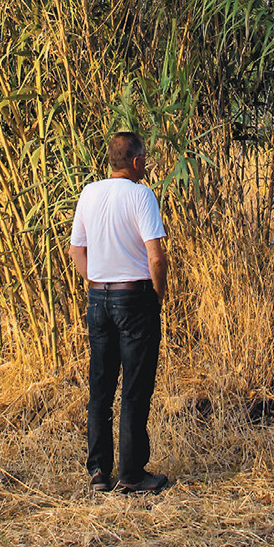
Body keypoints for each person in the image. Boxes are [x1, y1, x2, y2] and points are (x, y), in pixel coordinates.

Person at [69, 131, 169, 495]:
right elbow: (156, 257)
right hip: (134, 298)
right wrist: (157, 296)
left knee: (101, 387)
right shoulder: (141, 195)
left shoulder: (89, 193)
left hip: (98, 298)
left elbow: (75, 250)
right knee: (134, 388)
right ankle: (131, 474)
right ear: (137, 162)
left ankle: (98, 471)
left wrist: (96, 280)